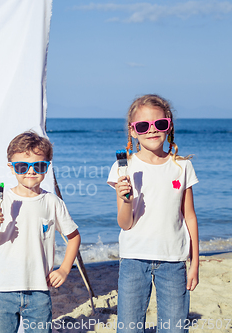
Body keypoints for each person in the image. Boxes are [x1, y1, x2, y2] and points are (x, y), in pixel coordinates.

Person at [107, 94, 199, 333]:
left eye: (159, 124)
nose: (152, 130)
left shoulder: (182, 167)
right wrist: (126, 200)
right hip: (134, 258)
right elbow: (125, 224)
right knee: (129, 328)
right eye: (143, 126)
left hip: (174, 260)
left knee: (174, 329)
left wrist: (195, 263)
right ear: (133, 131)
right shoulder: (124, 168)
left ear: (168, 126)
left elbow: (189, 216)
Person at [0, 131, 81, 333]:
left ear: (47, 167)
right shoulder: (2, 201)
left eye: (39, 166)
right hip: (3, 291)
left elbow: (73, 237)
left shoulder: (52, 202)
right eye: (22, 166)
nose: (30, 171)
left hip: (39, 291)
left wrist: (64, 269)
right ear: (11, 168)